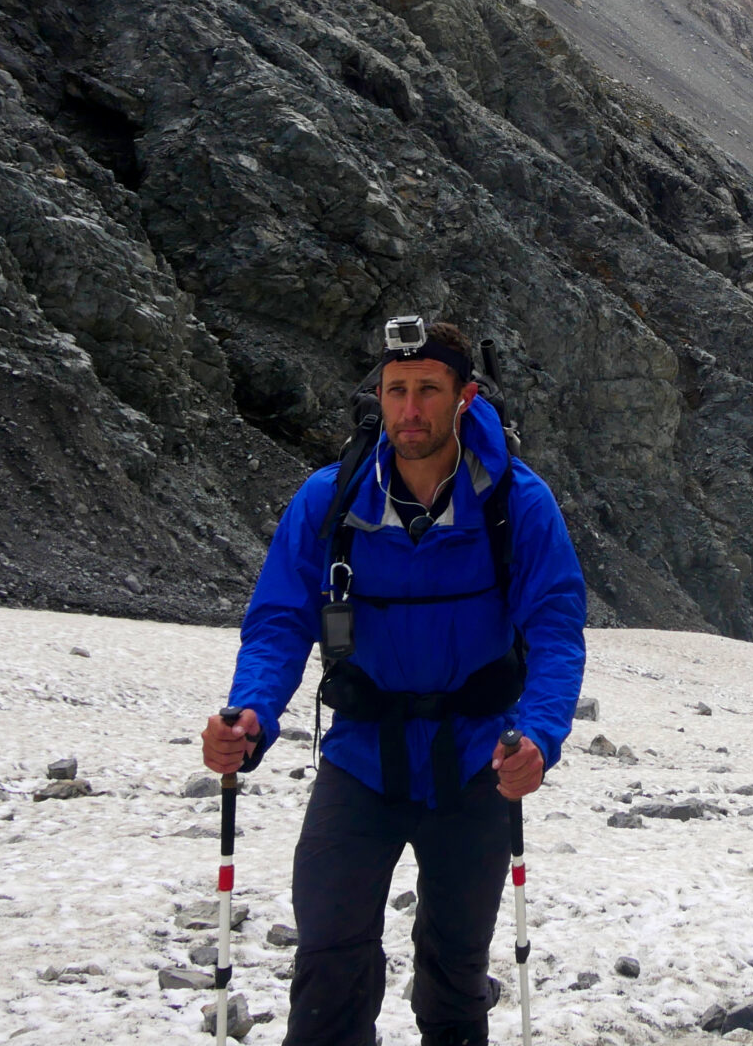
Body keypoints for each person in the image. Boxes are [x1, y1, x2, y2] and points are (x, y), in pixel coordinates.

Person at [200, 319, 586, 1046]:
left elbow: (556, 629)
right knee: (329, 959)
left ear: (465, 398)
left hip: (475, 762)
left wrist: (539, 737)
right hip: (360, 760)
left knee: (454, 974)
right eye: (396, 390)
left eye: (428, 391)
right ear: (378, 395)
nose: (409, 410)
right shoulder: (330, 502)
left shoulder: (518, 504)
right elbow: (282, 621)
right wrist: (251, 713)